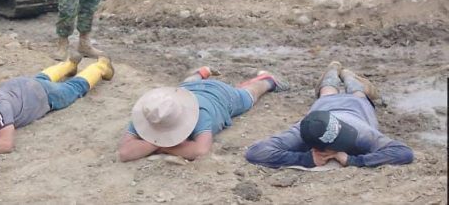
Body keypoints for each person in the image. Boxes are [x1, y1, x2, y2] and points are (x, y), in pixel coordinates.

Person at [0, 55, 114, 161]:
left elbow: (6, 144)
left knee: (73, 88)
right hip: (21, 86)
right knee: (40, 78)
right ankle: (68, 64)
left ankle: (100, 66)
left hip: (42, 96)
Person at [245, 61, 414, 168]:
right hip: (324, 106)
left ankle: (345, 76)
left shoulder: (361, 133)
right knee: (327, 94)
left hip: (357, 108)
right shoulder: (302, 131)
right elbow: (256, 152)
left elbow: (403, 152)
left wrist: (353, 160)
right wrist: (305, 158)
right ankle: (336, 74)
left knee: (358, 94)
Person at [118, 67, 288, 162]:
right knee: (187, 84)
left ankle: (268, 80)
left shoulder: (201, 115)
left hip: (222, 96)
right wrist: (161, 142)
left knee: (249, 95)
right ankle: (201, 72)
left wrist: (158, 143)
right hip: (187, 91)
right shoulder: (152, 110)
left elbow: (200, 150)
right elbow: (124, 153)